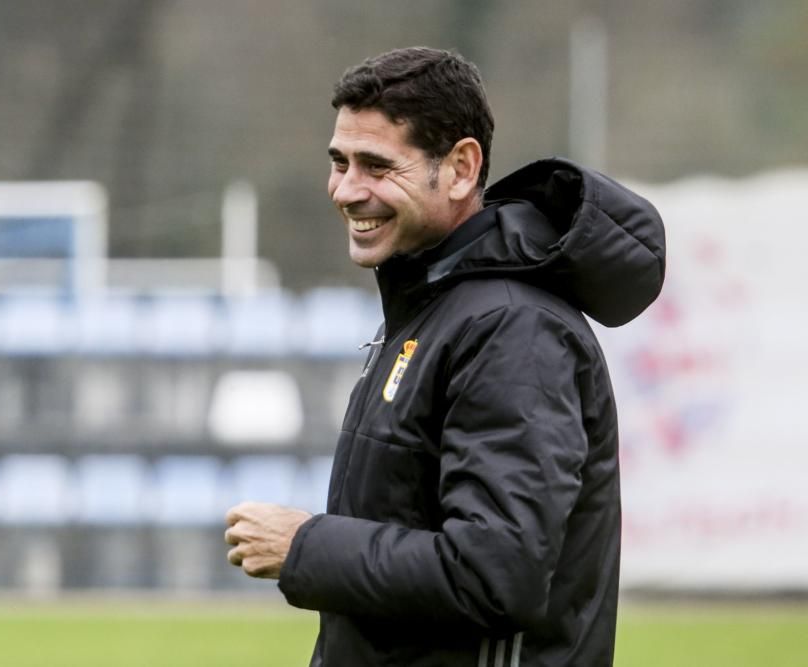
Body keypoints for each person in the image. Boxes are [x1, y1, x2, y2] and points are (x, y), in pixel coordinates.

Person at [224, 46, 665, 666]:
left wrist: (305, 546)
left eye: (376, 166)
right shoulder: (434, 308)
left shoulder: (513, 330)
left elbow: (495, 573)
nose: (347, 191)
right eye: (339, 162)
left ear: (460, 168)